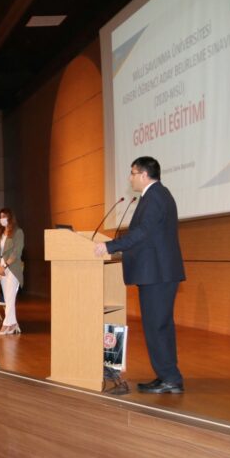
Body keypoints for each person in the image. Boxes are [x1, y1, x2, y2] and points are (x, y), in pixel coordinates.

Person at [95, 156, 185, 394]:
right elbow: (148, 234)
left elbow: (143, 232)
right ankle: (166, 375)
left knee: (157, 326)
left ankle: (170, 378)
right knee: (158, 326)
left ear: (144, 175)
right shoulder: (156, 195)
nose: (130, 178)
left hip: (158, 273)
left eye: (133, 173)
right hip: (157, 272)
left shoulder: (155, 197)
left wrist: (110, 246)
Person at [0, 208, 24, 335]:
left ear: (10, 218)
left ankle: (6, 324)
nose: (2, 219)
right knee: (7, 298)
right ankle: (13, 324)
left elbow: (17, 252)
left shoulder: (18, 232)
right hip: (1, 268)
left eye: (4, 216)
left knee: (10, 297)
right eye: (0, 217)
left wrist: (5, 265)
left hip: (12, 268)